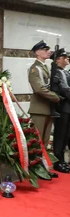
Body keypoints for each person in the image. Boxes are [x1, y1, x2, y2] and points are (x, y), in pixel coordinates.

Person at [28, 40, 62, 176]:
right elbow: (39, 89)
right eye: (45, 49)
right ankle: (34, 170)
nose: (48, 51)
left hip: (47, 109)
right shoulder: (34, 69)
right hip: (39, 109)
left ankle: (43, 169)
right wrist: (56, 97)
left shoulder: (45, 67)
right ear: (37, 52)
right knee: (36, 142)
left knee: (45, 142)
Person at [50, 48, 70, 173]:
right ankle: (58, 161)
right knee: (60, 135)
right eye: (65, 57)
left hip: (67, 108)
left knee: (66, 136)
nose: (67, 59)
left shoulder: (65, 72)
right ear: (58, 59)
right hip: (62, 108)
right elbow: (65, 89)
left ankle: (62, 160)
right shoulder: (57, 72)